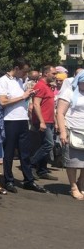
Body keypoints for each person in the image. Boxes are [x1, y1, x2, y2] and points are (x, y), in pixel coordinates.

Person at [0, 58, 48, 193]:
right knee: (9, 152)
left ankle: (28, 180)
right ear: (16, 68)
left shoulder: (20, 81)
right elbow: (2, 102)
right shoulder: (3, 80)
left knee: (25, 152)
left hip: (22, 119)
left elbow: (20, 99)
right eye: (24, 71)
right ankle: (8, 180)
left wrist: (28, 95)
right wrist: (23, 96)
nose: (25, 74)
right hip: (10, 120)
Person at [56, 71, 84, 200]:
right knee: (72, 161)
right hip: (72, 130)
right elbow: (60, 113)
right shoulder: (69, 92)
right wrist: (62, 131)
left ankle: (81, 183)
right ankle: (73, 187)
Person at [30, 66, 59, 181]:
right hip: (43, 121)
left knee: (44, 145)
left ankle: (42, 170)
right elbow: (36, 104)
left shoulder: (48, 86)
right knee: (49, 144)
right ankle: (30, 164)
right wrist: (41, 121)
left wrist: (55, 122)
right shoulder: (40, 86)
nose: (55, 76)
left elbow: (51, 106)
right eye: (53, 73)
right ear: (46, 73)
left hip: (50, 120)